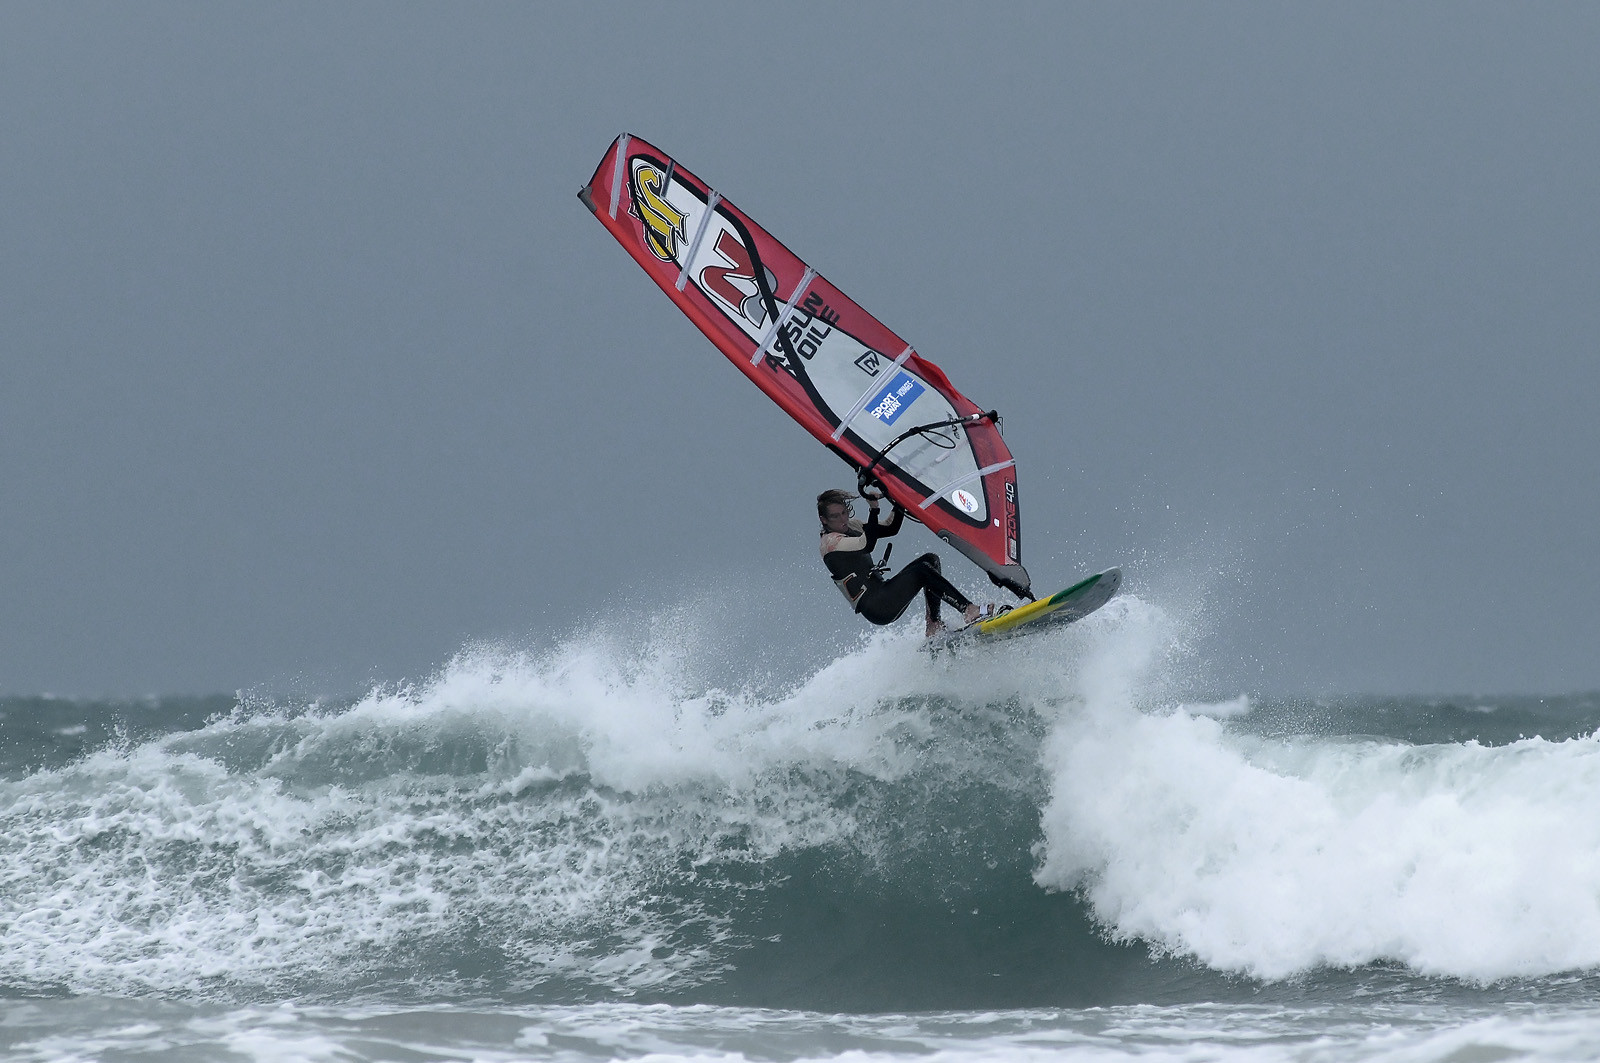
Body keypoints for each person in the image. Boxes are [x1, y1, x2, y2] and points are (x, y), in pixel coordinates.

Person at [818, 485, 983, 638]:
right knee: (922, 571)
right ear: (824, 520)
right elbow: (866, 545)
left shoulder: (852, 526)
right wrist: (874, 509)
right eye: (835, 516)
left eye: (844, 513)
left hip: (883, 591)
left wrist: (898, 498)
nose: (842, 520)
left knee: (930, 560)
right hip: (876, 607)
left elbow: (891, 527)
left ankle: (934, 623)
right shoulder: (830, 543)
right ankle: (968, 609)